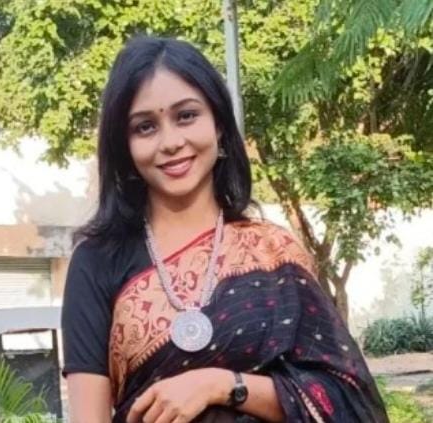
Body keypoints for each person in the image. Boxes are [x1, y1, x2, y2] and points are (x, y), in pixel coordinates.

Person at [61, 36, 389, 423]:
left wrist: (222, 385)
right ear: (124, 146)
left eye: (186, 116)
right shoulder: (97, 261)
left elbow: (347, 397)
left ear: (218, 124)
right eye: (145, 127)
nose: (171, 142)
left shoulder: (273, 252)